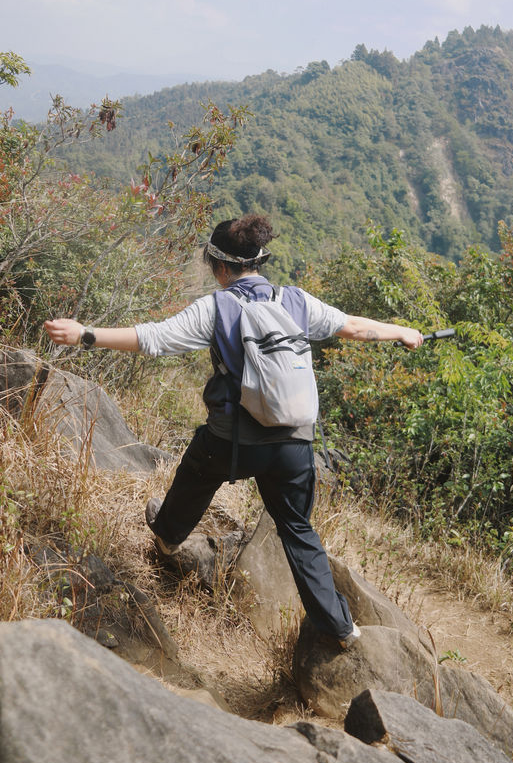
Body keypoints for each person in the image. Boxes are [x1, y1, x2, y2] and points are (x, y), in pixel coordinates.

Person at [44, 214, 423, 648]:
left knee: (196, 471)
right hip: (294, 444)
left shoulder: (216, 307)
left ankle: (167, 540)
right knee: (298, 530)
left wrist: (85, 334)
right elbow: (354, 327)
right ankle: (342, 628)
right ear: (259, 262)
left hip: (232, 443)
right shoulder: (297, 301)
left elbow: (153, 338)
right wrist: (403, 332)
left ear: (220, 267)